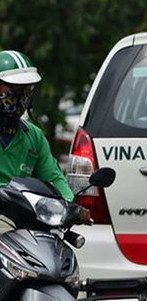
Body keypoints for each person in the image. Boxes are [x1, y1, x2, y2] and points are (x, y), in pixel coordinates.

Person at [0, 49, 89, 223]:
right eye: (14, 89)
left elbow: (54, 178)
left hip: (20, 223)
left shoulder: (34, 136)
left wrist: (70, 207)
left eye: (26, 90)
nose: (21, 97)